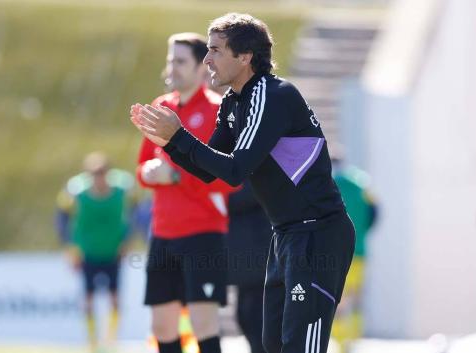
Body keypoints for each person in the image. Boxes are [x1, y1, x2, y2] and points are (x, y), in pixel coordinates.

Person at [130, 13, 355, 353]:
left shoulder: (270, 94)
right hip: (286, 235)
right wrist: (170, 143)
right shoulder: (234, 102)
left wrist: (179, 136)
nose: (207, 59)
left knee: (299, 345)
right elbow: (209, 170)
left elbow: (236, 170)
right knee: (272, 343)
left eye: (216, 51)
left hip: (317, 234)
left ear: (245, 56)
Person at [136, 32, 234, 353]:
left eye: (180, 61)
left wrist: (175, 175)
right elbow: (142, 170)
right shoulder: (161, 108)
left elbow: (228, 178)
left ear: (202, 68)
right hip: (163, 233)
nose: (172, 68)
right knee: (162, 326)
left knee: (203, 323)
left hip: (203, 233)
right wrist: (151, 175)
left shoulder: (218, 111)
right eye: (169, 60)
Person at [55, 152, 132, 352]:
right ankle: (92, 342)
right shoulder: (76, 193)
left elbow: (133, 214)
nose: (98, 177)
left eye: (102, 173)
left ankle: (111, 341)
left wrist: (127, 242)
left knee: (115, 298)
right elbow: (62, 218)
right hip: (88, 252)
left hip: (112, 252)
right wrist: (70, 248)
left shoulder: (121, 191)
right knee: (88, 298)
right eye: (94, 173)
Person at [330, 157, 377, 351]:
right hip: (359, 250)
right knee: (356, 296)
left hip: (335, 252)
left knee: (338, 297)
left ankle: (340, 341)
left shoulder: (328, 182)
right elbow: (375, 213)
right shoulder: (362, 183)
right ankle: (354, 338)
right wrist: (363, 232)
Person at [225, 180, 272, 353]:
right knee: (245, 315)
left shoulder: (255, 164)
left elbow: (242, 196)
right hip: (245, 255)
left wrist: (216, 194)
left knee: (255, 317)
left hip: (257, 252)